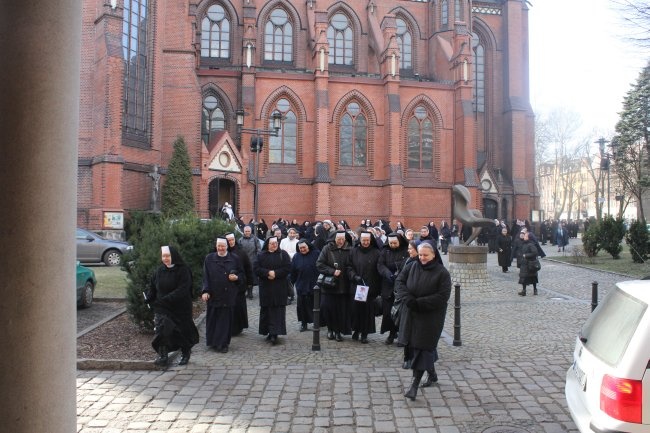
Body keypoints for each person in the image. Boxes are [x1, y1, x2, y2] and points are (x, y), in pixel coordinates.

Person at [394, 242, 451, 400]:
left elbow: (442, 297)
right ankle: (432, 374)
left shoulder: (442, 273)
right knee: (417, 347)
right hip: (411, 313)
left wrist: (419, 303)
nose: (422, 258)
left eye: (425, 255)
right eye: (420, 255)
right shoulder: (412, 266)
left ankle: (414, 385)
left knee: (423, 348)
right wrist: (408, 299)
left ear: (434, 255)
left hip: (430, 317)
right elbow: (400, 281)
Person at [146, 245, 199, 366]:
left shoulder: (184, 270)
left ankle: (186, 353)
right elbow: (153, 287)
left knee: (182, 332)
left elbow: (183, 289)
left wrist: (165, 299)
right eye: (163, 256)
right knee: (162, 331)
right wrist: (149, 298)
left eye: (168, 256)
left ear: (173, 256)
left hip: (181, 307)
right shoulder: (159, 271)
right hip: (163, 308)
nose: (165, 258)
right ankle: (163, 356)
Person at [201, 238, 244, 353]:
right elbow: (206, 277)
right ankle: (213, 342)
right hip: (214, 294)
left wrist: (237, 278)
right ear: (216, 246)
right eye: (219, 246)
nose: (221, 248)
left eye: (223, 246)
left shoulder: (234, 258)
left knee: (225, 321)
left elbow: (241, 274)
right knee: (213, 319)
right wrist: (205, 291)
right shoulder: (209, 258)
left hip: (228, 294)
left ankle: (223, 343)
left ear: (227, 246)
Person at [316, 230, 353, 342]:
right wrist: (332, 271)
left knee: (341, 310)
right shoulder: (327, 248)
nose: (341, 242)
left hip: (344, 286)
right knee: (327, 308)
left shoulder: (350, 249)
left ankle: (338, 332)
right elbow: (319, 264)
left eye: (342, 239)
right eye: (338, 240)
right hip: (329, 285)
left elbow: (352, 265)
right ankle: (330, 329)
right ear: (334, 239)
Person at [255, 236, 291, 345]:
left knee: (278, 311)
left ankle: (275, 333)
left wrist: (275, 273)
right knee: (267, 310)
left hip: (279, 287)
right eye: (272, 243)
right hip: (266, 287)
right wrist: (267, 273)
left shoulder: (283, 254)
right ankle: (268, 332)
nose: (274, 245)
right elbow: (256, 268)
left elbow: (288, 268)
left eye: (276, 243)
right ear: (268, 244)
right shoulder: (261, 255)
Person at [348, 231, 382, 344]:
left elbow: (379, 270)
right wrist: (354, 276)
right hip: (357, 286)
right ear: (360, 240)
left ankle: (364, 333)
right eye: (364, 240)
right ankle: (356, 331)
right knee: (356, 310)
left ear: (371, 240)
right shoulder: (353, 251)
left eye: (367, 240)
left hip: (371, 287)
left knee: (367, 312)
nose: (366, 242)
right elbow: (349, 267)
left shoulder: (377, 252)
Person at [377, 232, 409, 344]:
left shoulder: (406, 250)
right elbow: (380, 265)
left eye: (395, 243)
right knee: (388, 312)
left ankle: (401, 335)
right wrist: (388, 274)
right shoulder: (385, 251)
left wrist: (399, 273)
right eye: (391, 243)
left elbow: (408, 264)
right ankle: (391, 333)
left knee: (400, 312)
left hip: (401, 285)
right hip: (388, 284)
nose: (393, 245)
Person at [225, 232, 252, 336]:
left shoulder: (241, 252)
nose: (231, 242)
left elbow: (248, 267)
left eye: (232, 240)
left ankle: (239, 327)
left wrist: (249, 282)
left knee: (239, 307)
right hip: (227, 285)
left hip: (239, 284)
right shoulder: (223, 251)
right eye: (228, 240)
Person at [290, 240, 320, 331]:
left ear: (308, 246)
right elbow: (293, 271)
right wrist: (291, 282)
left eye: (304, 247)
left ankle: (317, 322)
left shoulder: (316, 253)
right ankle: (304, 323)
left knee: (315, 305)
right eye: (300, 248)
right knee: (302, 306)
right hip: (301, 285)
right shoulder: (296, 256)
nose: (302, 249)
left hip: (315, 284)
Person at [238, 225, 260, 299]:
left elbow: (259, 249)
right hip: (243, 262)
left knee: (251, 278)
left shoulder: (255, 239)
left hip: (253, 261)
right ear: (243, 232)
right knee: (244, 277)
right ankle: (246, 291)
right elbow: (238, 251)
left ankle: (250, 293)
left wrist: (257, 258)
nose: (247, 232)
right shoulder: (240, 240)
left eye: (248, 231)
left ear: (251, 231)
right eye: (246, 231)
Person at [517, 231, 539, 296]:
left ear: (529, 237)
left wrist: (526, 255)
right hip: (524, 264)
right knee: (523, 277)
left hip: (530, 264)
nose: (524, 236)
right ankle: (524, 291)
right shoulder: (523, 243)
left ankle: (535, 290)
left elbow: (535, 253)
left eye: (526, 236)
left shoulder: (531, 244)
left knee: (533, 277)